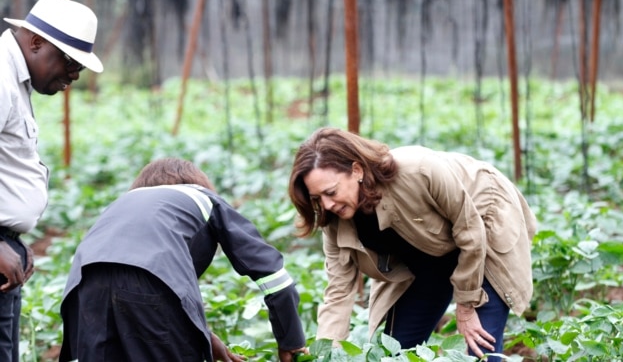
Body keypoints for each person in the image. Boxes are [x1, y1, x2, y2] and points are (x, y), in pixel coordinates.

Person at [288, 127, 536, 361]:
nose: (327, 205)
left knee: (480, 348)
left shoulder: (417, 169)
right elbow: (338, 292)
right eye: (316, 198)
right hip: (427, 255)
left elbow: (470, 230)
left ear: (357, 171)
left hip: (482, 227)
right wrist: (325, 354)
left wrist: (466, 306)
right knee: (396, 352)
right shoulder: (334, 222)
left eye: (331, 192)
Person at [59, 158, 307, 362]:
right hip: (148, 281)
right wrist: (291, 342)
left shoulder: (121, 205)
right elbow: (276, 280)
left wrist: (207, 339)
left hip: (83, 289)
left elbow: (124, 280)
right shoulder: (203, 197)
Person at [0, 0, 102, 360]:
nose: (74, 75)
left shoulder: (14, 78)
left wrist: (10, 238)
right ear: (36, 42)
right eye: (71, 62)